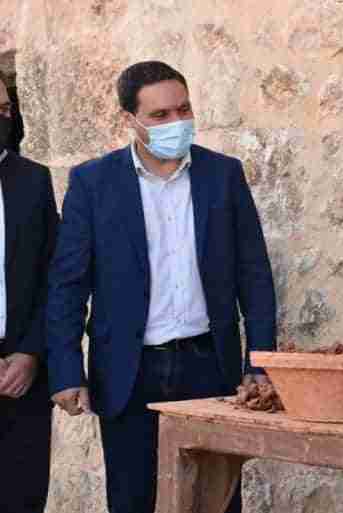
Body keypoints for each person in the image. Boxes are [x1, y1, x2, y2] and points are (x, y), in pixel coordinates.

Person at [46, 61, 276, 513]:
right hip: (128, 373)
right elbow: (68, 285)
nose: (177, 123)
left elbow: (254, 274)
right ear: (129, 120)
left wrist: (260, 362)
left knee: (216, 500)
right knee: (134, 499)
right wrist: (67, 370)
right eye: (160, 115)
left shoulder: (223, 175)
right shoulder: (93, 183)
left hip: (209, 367)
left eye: (183, 109)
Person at [0, 71, 59, 513]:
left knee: (22, 496)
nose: (3, 117)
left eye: (5, 109)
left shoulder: (34, 181)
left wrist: (32, 352)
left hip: (24, 372)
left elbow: (54, 275)